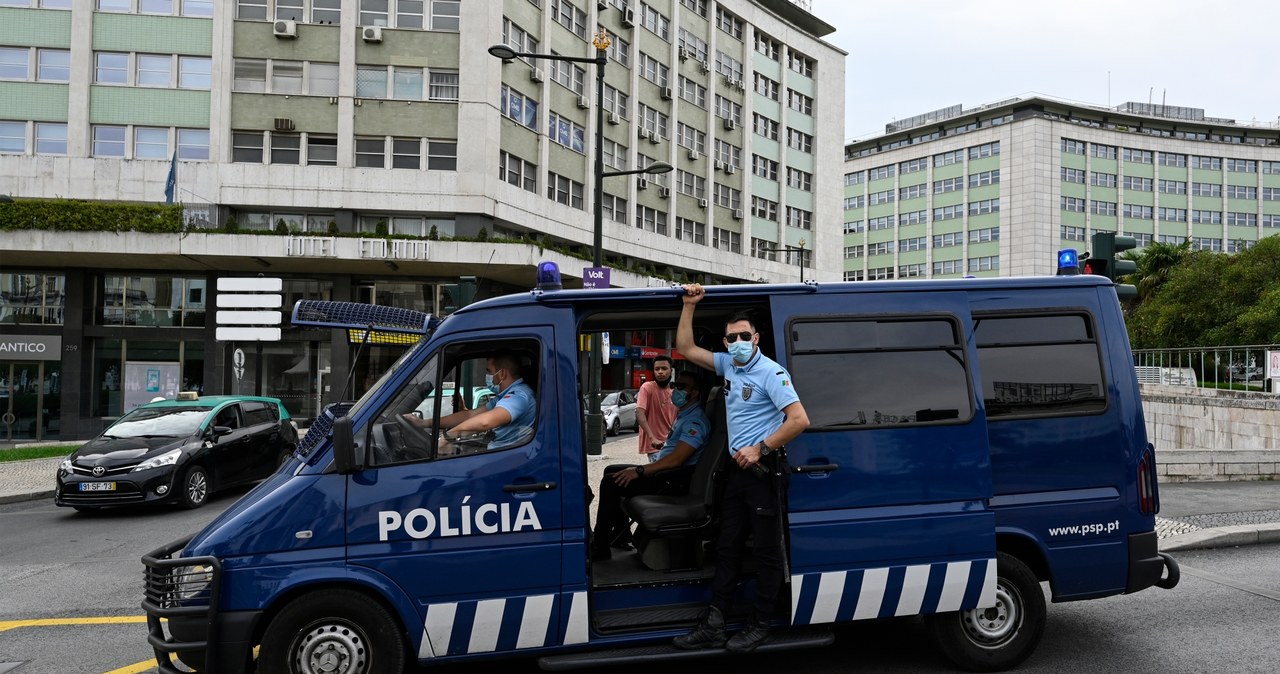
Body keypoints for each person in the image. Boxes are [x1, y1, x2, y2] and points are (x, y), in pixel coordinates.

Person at [672, 283, 810, 653]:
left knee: (766, 551)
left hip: (762, 473)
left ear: (757, 337)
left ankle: (760, 624)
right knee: (728, 545)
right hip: (735, 473)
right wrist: (689, 306)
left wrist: (761, 448)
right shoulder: (729, 364)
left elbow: (798, 420)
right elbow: (685, 348)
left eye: (744, 336)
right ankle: (714, 622)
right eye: (731, 337)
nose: (737, 341)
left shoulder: (771, 373)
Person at [591, 370, 710, 561]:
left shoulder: (695, 421)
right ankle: (621, 536)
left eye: (681, 387)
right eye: (674, 386)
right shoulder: (684, 415)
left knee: (610, 482)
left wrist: (639, 471)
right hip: (665, 473)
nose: (675, 390)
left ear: (694, 392)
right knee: (611, 470)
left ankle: (600, 546)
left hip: (671, 480)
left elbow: (676, 460)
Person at [404, 351, 536, 452]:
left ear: (502, 374)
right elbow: (470, 415)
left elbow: (485, 422)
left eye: (489, 371)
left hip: (505, 460)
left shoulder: (519, 396)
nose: (488, 376)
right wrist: (424, 423)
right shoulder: (502, 397)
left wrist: (447, 437)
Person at [636, 355, 677, 463]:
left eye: (664, 368)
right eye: (657, 369)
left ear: (671, 371)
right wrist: (652, 437)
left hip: (673, 445)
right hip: (656, 448)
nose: (660, 372)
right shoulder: (647, 387)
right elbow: (640, 413)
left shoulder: (676, 392)